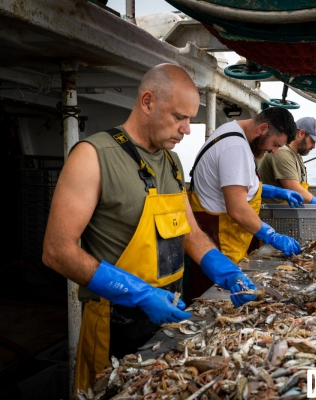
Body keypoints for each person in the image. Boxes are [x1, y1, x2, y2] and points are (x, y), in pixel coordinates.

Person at [42, 64, 257, 394]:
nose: (187, 129)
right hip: (114, 324)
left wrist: (225, 271)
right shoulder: (93, 156)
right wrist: (139, 294)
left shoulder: (172, 162)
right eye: (179, 117)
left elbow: (189, 231)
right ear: (147, 102)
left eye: (190, 119)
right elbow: (58, 251)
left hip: (168, 314)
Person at [186, 107, 304, 301]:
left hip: (225, 234)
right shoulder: (236, 148)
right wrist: (272, 236)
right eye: (275, 144)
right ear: (263, 128)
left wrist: (275, 191)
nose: (274, 151)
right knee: (213, 300)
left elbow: (235, 184)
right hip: (219, 239)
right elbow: (238, 209)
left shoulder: (231, 132)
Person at [258, 117, 316, 204]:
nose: (314, 146)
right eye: (312, 141)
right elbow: (294, 189)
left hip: (287, 213)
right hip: (273, 214)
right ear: (301, 133)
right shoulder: (282, 152)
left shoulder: (296, 155)